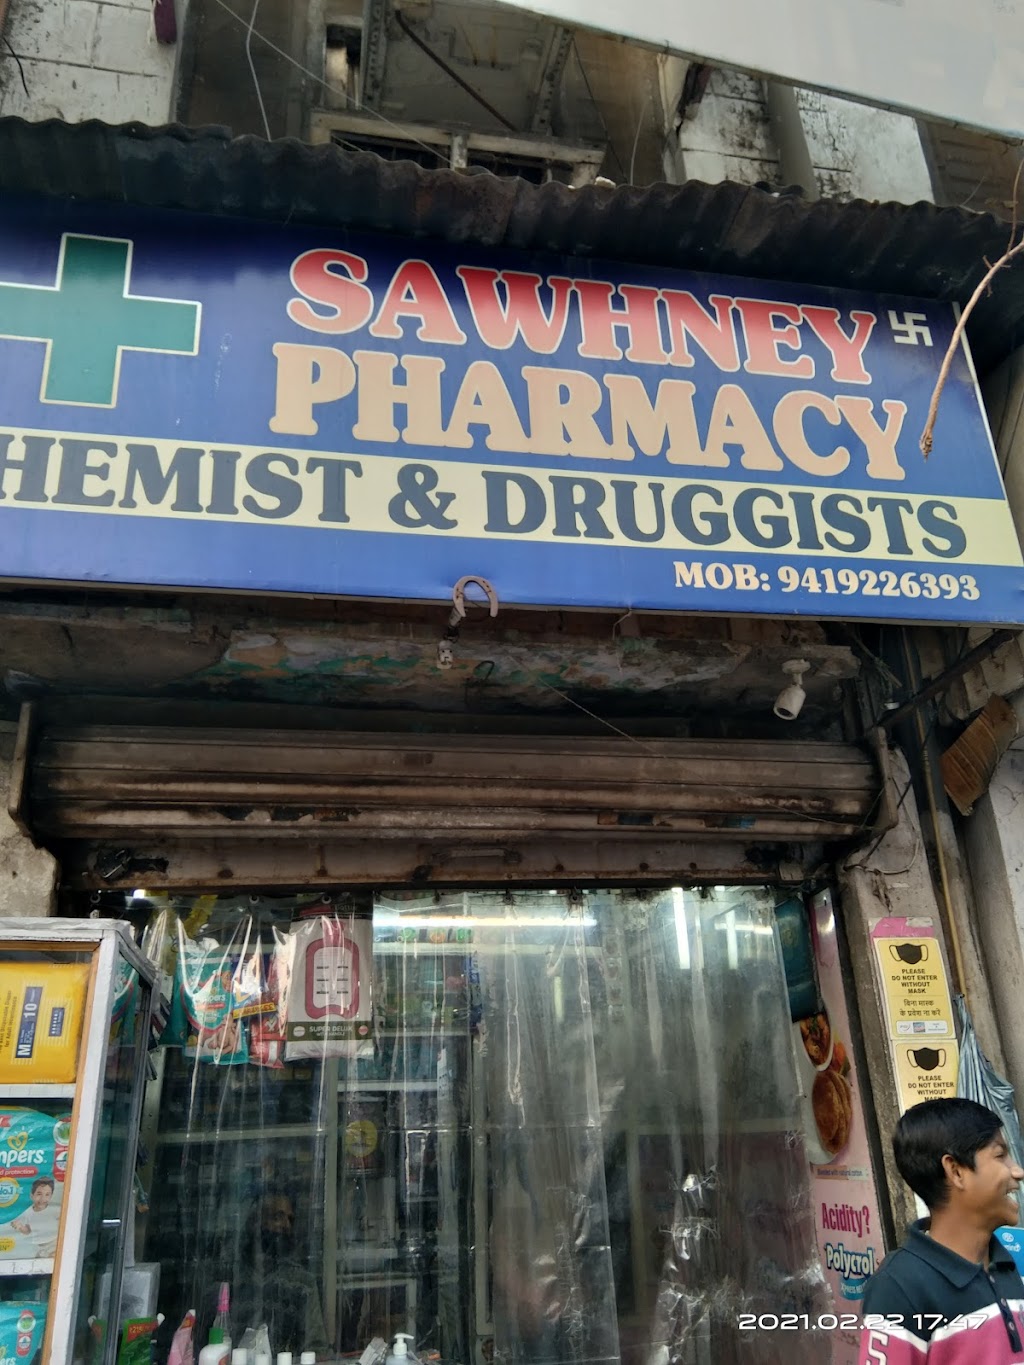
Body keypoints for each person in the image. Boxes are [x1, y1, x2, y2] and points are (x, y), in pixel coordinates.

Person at [858, 1098, 1024, 1363]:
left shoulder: (1004, 1264)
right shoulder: (898, 1287)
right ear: (956, 1171)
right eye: (1000, 1155)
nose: (1017, 1171)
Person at [229, 1191, 330, 1359]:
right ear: (255, 1222)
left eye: (290, 1219)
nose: (286, 1225)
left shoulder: (302, 1283)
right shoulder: (230, 1279)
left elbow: (316, 1349)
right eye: (277, 1217)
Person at [8, 1177, 59, 1256]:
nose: (43, 1198)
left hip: (53, 1244)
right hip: (37, 1247)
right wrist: (20, 1227)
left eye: (47, 1195)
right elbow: (28, 1231)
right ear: (32, 1195)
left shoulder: (55, 1209)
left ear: (51, 1196)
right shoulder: (28, 1212)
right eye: (39, 1194)